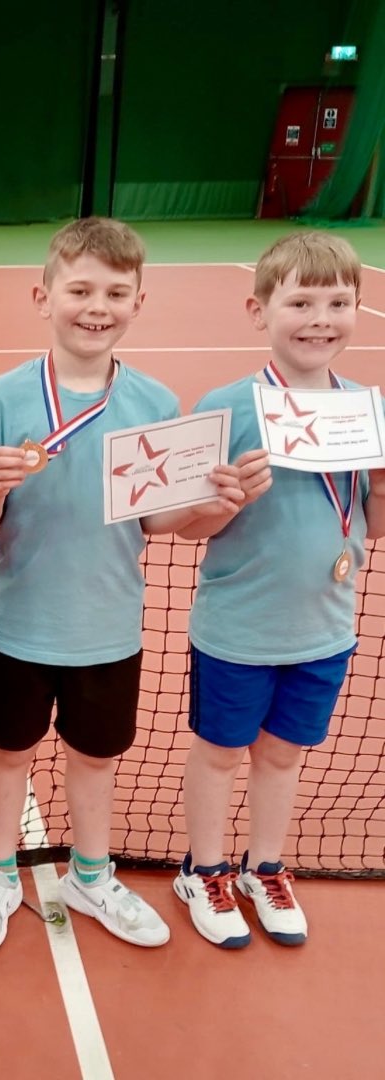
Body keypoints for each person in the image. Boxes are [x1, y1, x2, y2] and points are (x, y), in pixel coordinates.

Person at [0, 217, 244, 956]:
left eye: (115, 292)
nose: (95, 305)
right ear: (43, 294)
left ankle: (90, 872)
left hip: (111, 625)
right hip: (18, 624)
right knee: (7, 756)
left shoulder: (155, 403)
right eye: (79, 289)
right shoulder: (1, 399)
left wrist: (214, 502)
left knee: (96, 760)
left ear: (139, 302)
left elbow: (159, 522)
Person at [173, 231, 385, 948]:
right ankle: (203, 869)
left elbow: (373, 526)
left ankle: (266, 866)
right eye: (300, 301)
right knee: (220, 753)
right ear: (259, 308)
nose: (319, 317)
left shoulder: (365, 410)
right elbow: (184, 527)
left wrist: (383, 486)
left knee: (284, 756)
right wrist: (226, 498)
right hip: (238, 629)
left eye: (337, 302)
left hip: (325, 629)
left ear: (358, 308)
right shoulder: (229, 406)